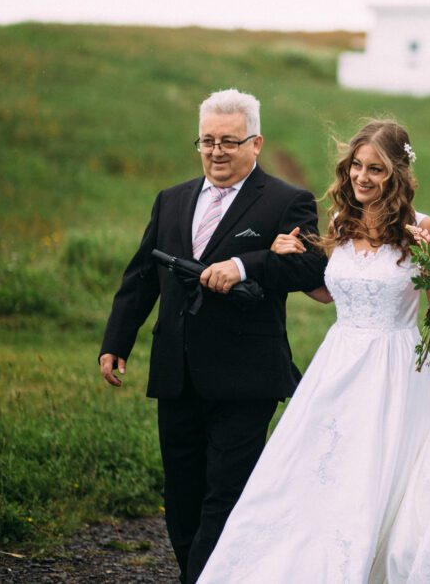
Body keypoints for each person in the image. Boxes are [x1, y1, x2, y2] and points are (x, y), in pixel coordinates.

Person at [197, 119, 430, 583]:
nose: (362, 178)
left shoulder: (421, 230)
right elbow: (331, 293)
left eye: (375, 169)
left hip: (395, 367)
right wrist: (290, 257)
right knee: (316, 470)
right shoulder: (340, 222)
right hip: (338, 363)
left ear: (397, 174)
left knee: (379, 473)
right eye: (357, 166)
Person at [97, 88, 327, 584]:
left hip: (247, 376)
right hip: (175, 371)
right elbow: (141, 277)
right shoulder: (172, 199)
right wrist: (116, 342)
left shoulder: (288, 202)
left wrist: (246, 265)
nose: (216, 151)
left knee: (226, 493)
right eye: (207, 141)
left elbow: (312, 267)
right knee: (181, 495)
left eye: (228, 140)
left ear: (256, 143)